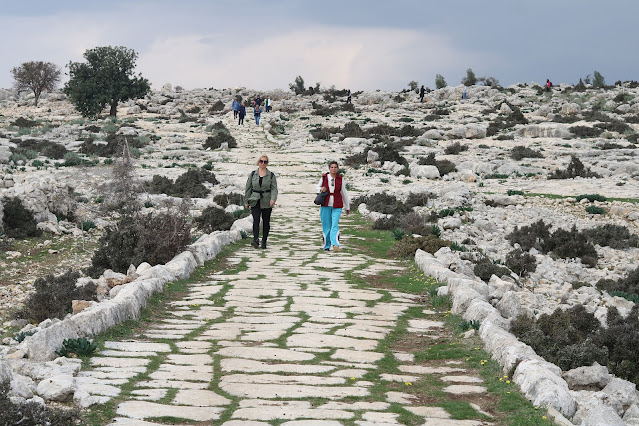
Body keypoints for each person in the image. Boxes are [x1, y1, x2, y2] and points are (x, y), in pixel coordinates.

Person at [244, 155, 278, 249]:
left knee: (266, 221)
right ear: (258, 162)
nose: (263, 163)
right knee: (256, 220)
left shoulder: (271, 175)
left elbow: (274, 189)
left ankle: (264, 241)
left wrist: (273, 199)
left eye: (265, 162)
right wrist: (246, 201)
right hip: (255, 200)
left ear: (267, 163)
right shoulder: (252, 174)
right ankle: (255, 240)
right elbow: (248, 188)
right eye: (261, 161)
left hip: (266, 200)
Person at [316, 161, 350, 252]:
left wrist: (347, 207)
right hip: (326, 204)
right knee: (326, 226)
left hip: (337, 205)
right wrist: (320, 189)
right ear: (329, 168)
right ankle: (326, 245)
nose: (333, 169)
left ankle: (335, 244)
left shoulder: (340, 179)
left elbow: (344, 192)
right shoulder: (324, 177)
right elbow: (317, 187)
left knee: (334, 224)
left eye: (335, 167)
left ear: (338, 169)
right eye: (332, 167)